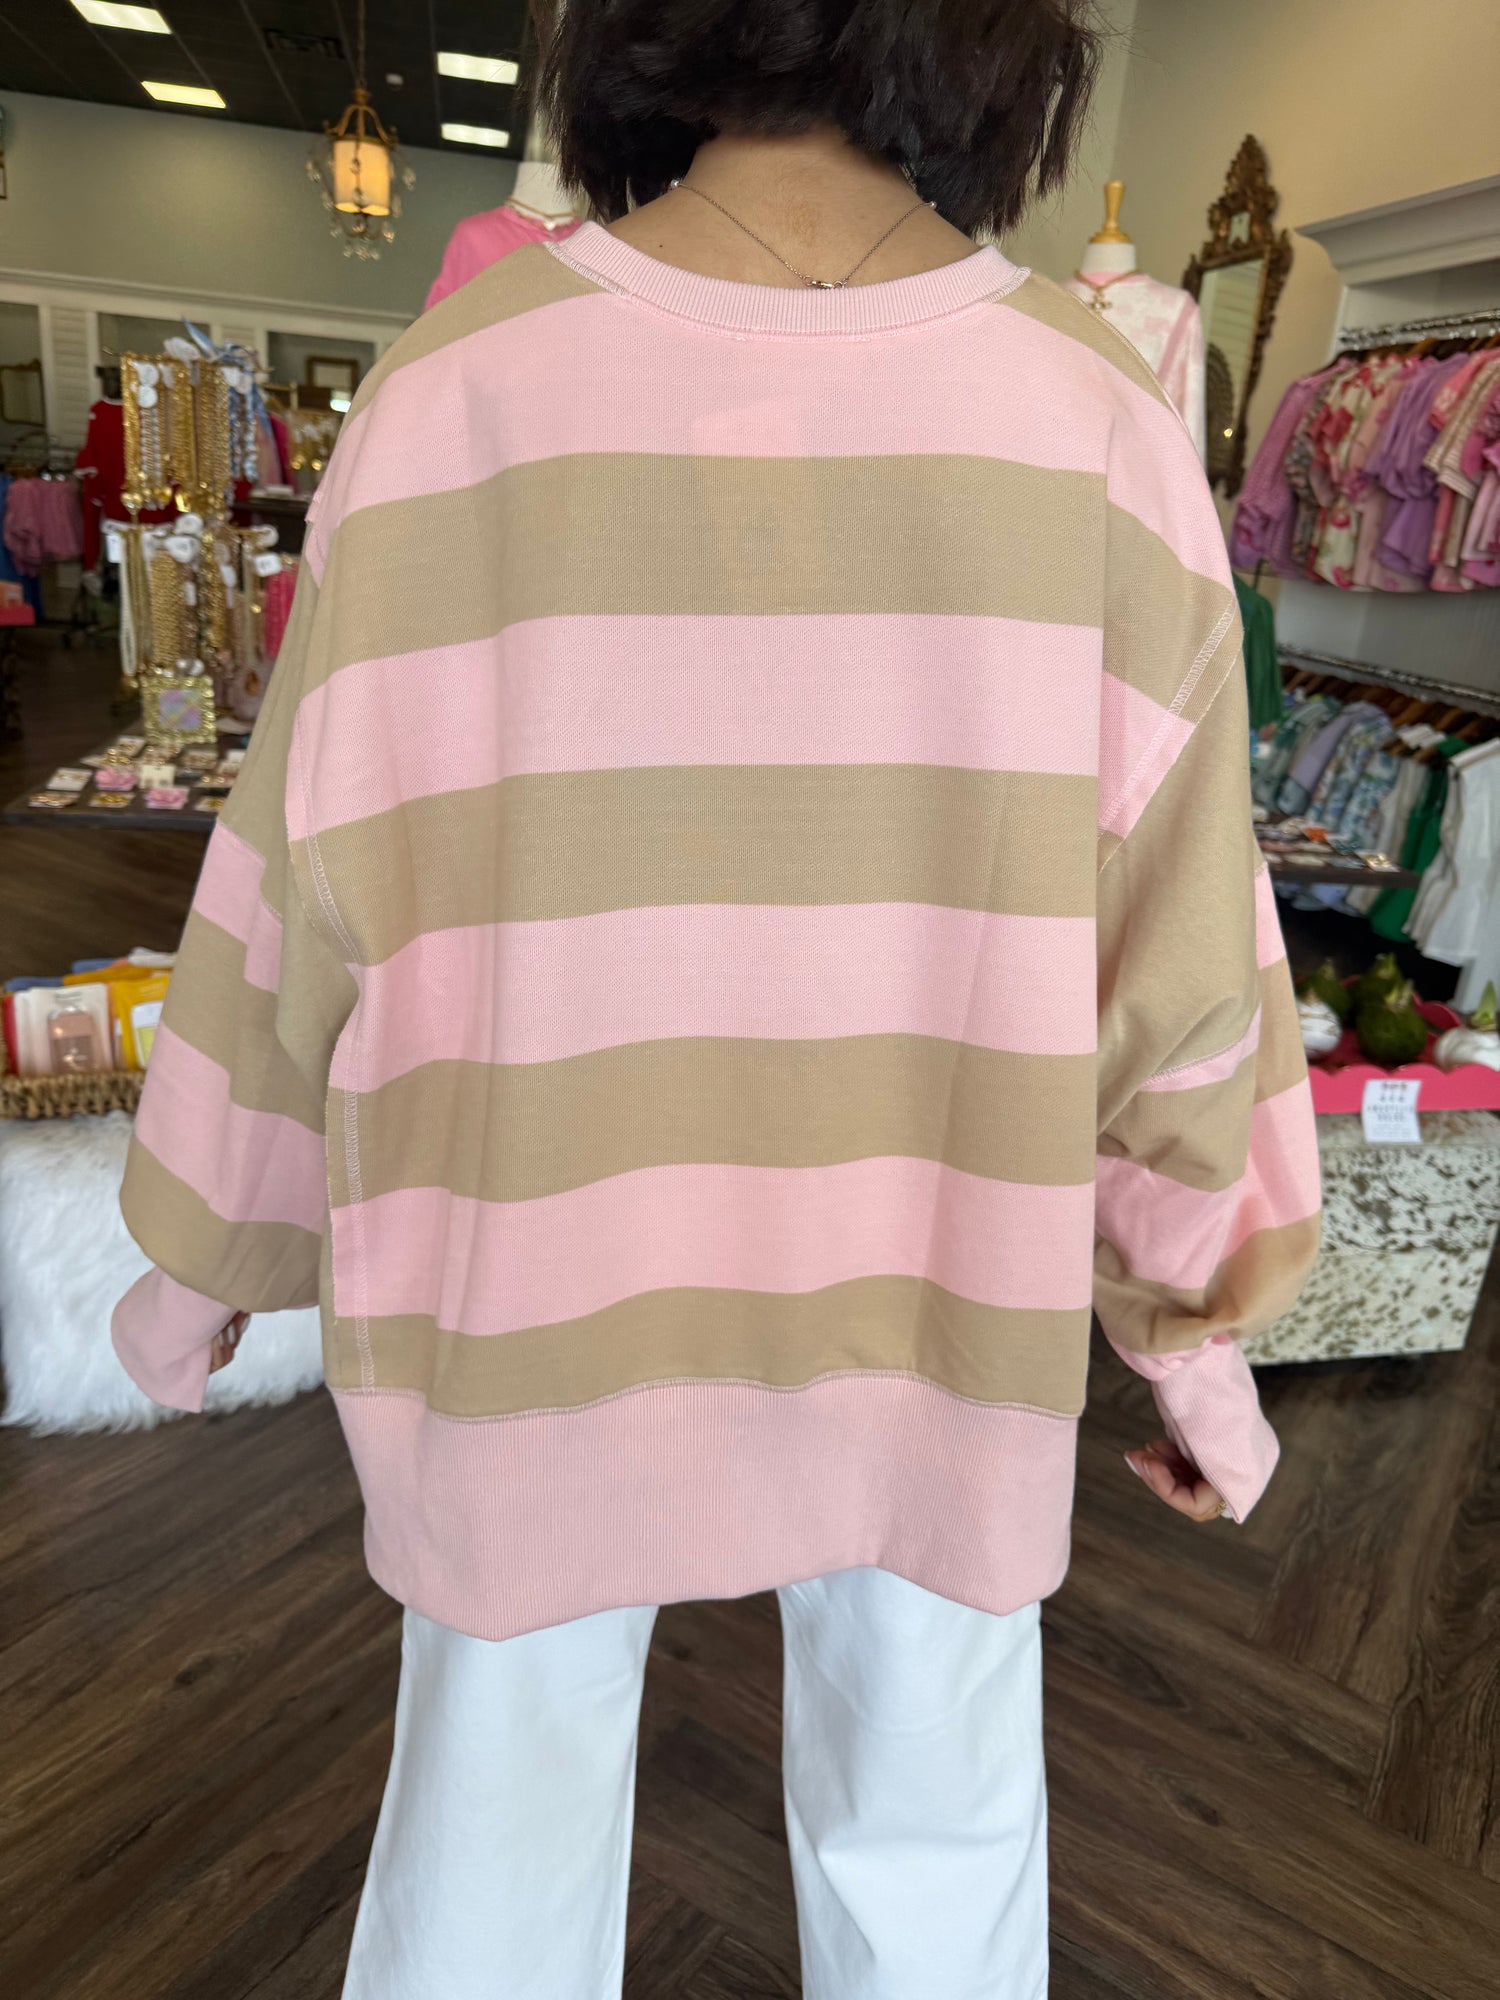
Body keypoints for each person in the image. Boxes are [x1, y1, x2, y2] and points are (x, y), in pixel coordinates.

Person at [111, 3, 1321, 1993]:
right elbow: (1183, 950)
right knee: (936, 1832)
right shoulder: (1092, 417)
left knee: (488, 1839)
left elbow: (301, 887)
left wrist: (202, 1262)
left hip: (528, 1305)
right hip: (934, 1301)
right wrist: (1195, 1338)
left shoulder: (459, 391)